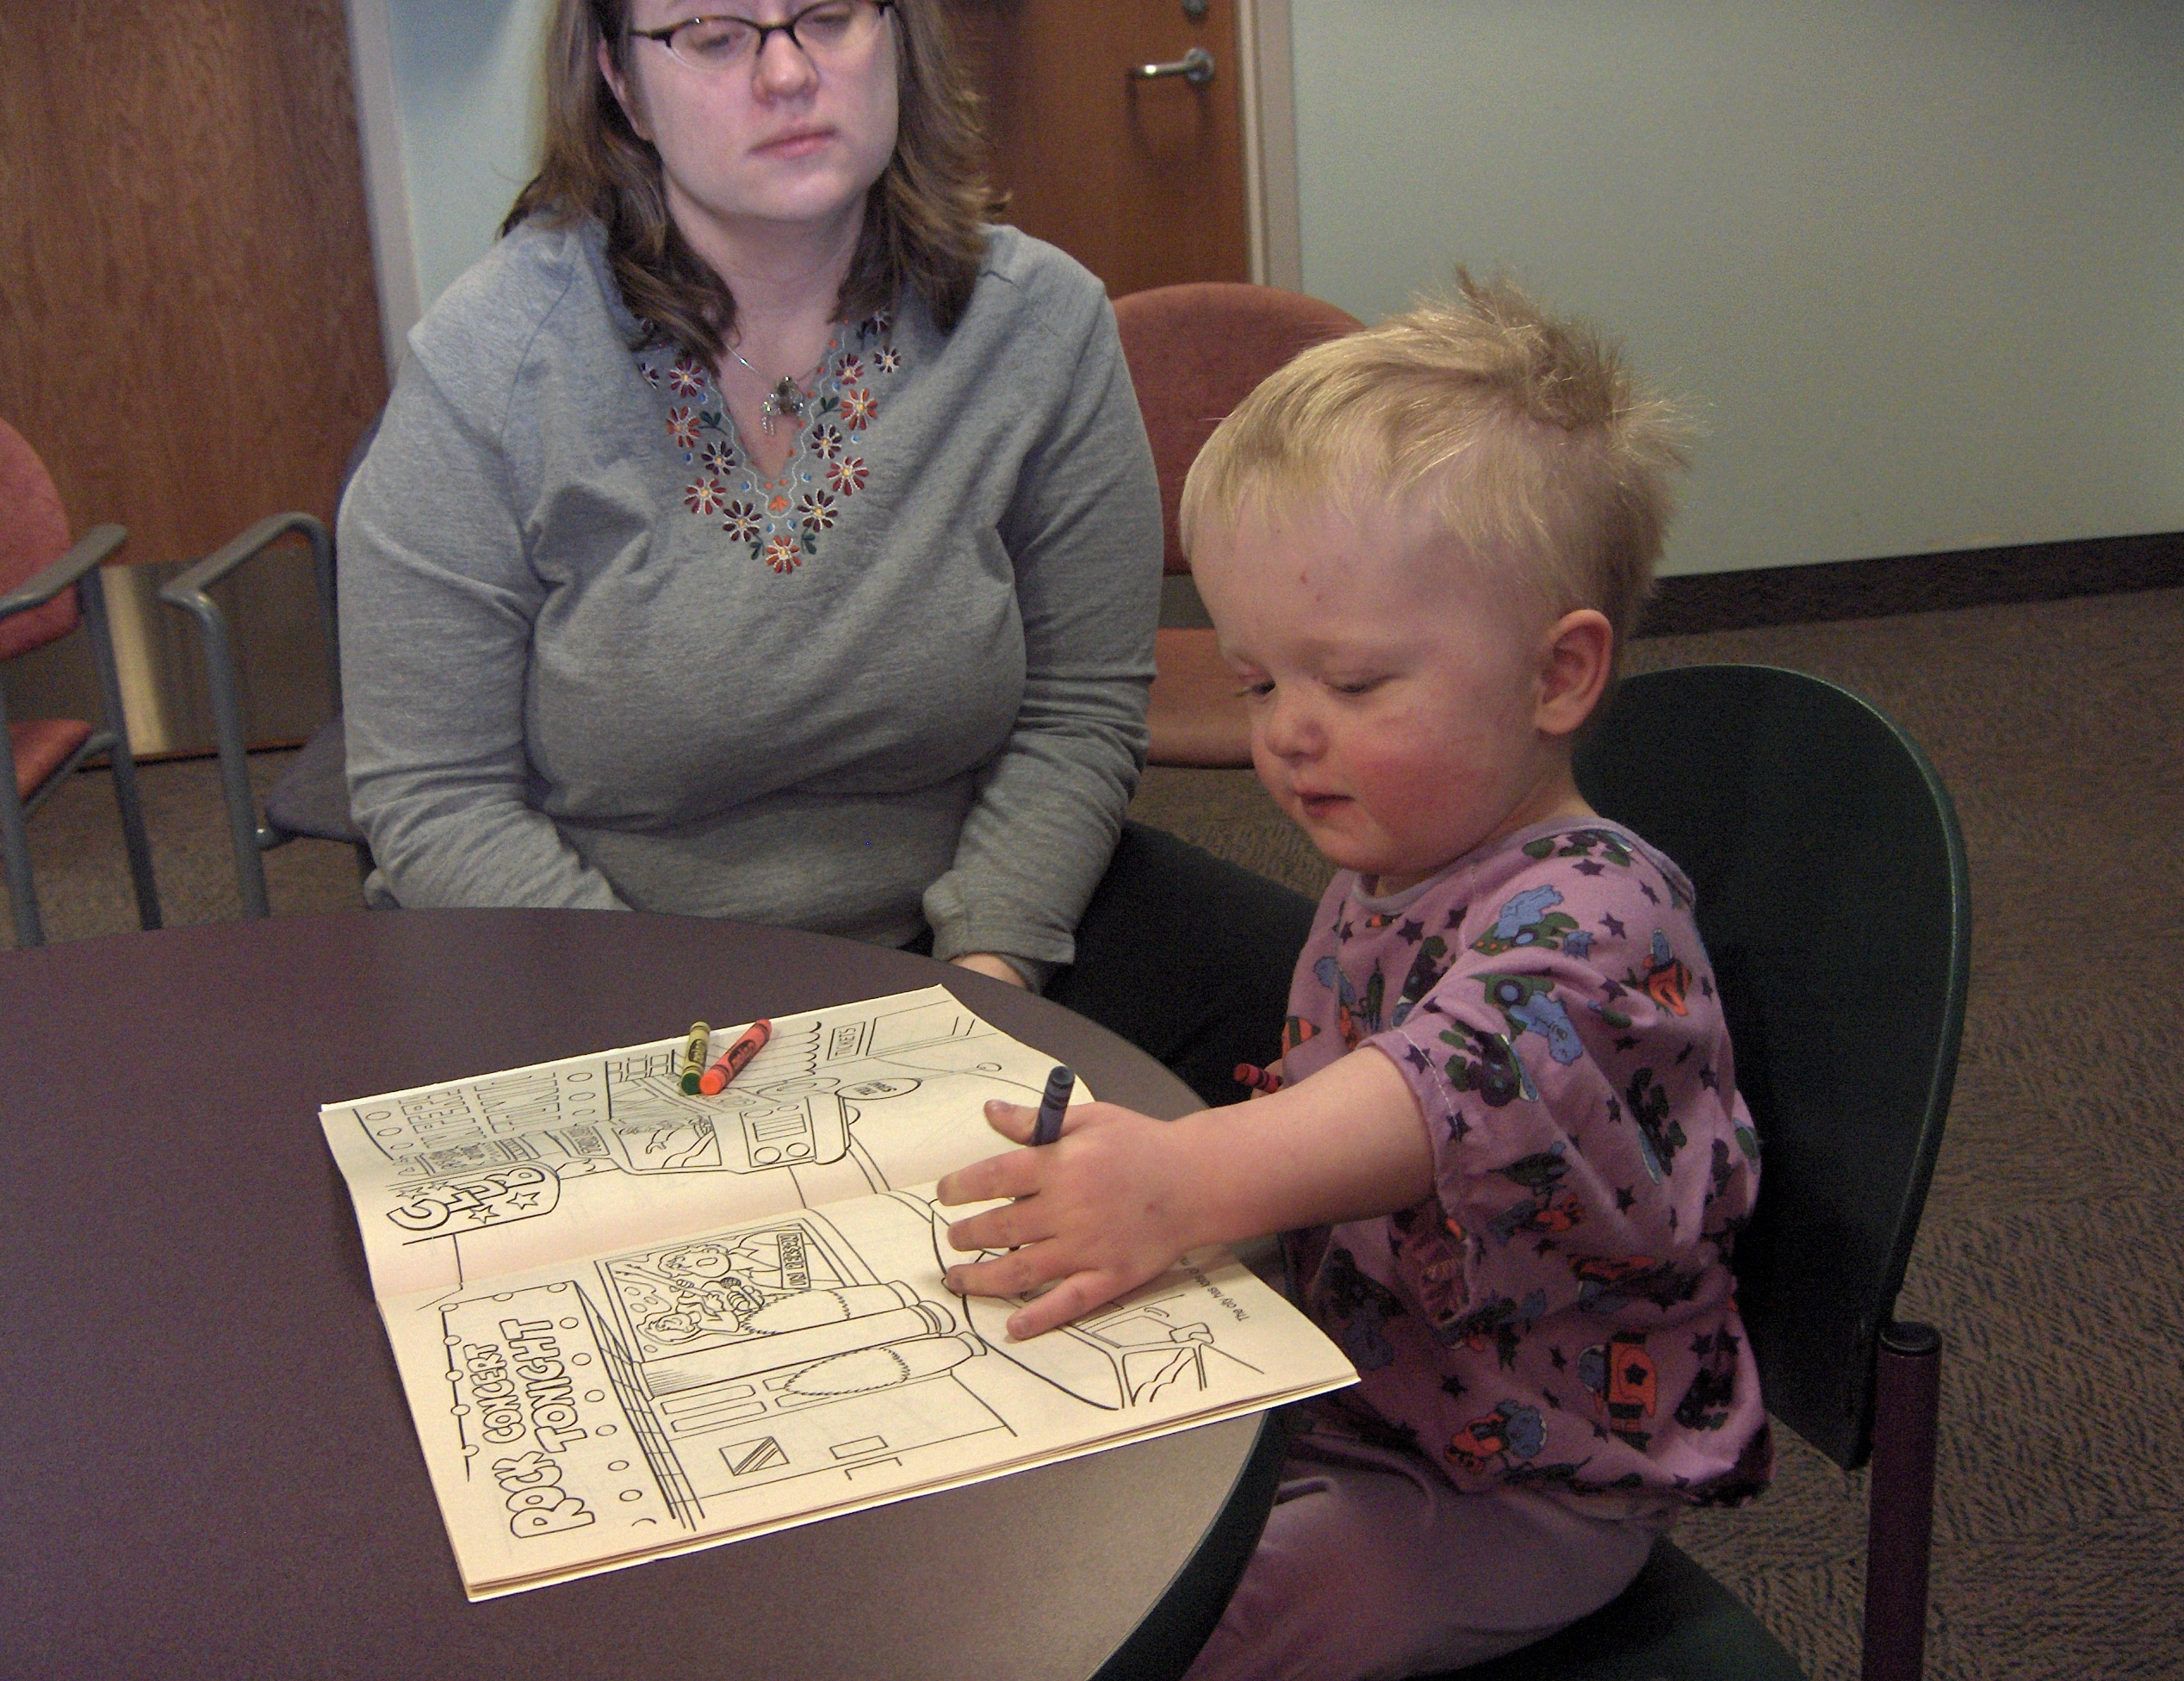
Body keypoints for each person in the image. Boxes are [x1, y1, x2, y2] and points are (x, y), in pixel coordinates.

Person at [936, 276, 1771, 1677]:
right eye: (1263, 684)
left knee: (1161, 1621)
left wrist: (1184, 1178)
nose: (1288, 736)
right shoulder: (1401, 860)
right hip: (1371, 1379)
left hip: (1518, 1482)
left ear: (1556, 676)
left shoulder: (1596, 921)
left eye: (1356, 684)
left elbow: (1447, 1086)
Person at [335, 0, 1309, 1108]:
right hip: (592, 965)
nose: (788, 72)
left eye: (829, 16)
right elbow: (434, 795)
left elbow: (1078, 711)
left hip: (965, 935)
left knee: (1360, 1019)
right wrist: (677, 1047)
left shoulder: (1039, 322)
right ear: (619, 82)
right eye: (715, 35)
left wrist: (983, 988)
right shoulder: (492, 359)